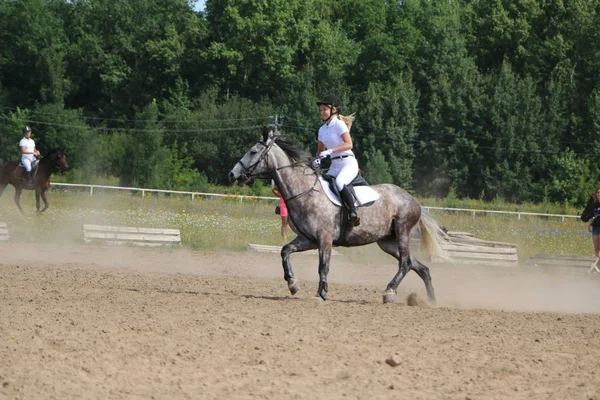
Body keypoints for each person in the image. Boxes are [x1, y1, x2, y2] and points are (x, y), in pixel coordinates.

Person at [313, 94, 360, 226]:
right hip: (334, 165)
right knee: (320, 183)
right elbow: (320, 150)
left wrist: (330, 151)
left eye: (324, 109)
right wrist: (317, 159)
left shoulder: (339, 125)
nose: (321, 112)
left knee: (339, 182)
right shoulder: (322, 129)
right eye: (320, 110)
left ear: (333, 110)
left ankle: (353, 212)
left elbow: (349, 144)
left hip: (348, 163)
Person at [581, 187, 600, 270]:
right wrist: (591, 224)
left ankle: (596, 266)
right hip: (596, 228)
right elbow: (597, 217)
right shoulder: (595, 205)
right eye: (598, 192)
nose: (599, 194)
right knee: (596, 249)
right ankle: (598, 267)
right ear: (596, 194)